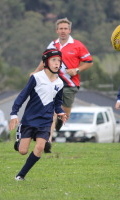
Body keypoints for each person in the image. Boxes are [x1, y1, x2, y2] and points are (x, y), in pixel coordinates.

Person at [32, 17, 93, 153]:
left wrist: (77, 70)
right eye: (61, 29)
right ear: (57, 30)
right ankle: (48, 142)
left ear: (69, 30)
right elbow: (44, 61)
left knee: (65, 113)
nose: (63, 31)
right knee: (52, 113)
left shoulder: (77, 45)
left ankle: (59, 123)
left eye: (65, 28)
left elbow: (89, 62)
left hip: (70, 84)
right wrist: (36, 72)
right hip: (53, 83)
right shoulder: (52, 45)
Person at [9, 49, 67, 181]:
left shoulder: (60, 83)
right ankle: (18, 142)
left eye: (59, 60)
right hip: (30, 119)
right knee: (23, 151)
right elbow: (22, 96)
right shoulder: (36, 77)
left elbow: (58, 103)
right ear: (46, 62)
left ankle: (21, 175)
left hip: (46, 121)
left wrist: (61, 112)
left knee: (40, 147)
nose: (57, 63)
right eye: (54, 60)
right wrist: (14, 113)